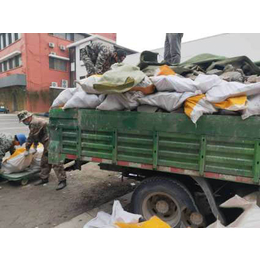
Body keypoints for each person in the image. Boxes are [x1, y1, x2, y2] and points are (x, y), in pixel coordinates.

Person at [17, 110, 67, 190]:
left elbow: (31, 137)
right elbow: (36, 136)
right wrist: (35, 147)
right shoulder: (33, 122)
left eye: (23, 120)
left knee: (55, 161)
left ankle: (62, 181)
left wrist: (27, 149)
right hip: (48, 141)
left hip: (52, 141)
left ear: (28, 117)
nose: (23, 122)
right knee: (44, 161)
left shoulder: (34, 122)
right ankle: (44, 178)